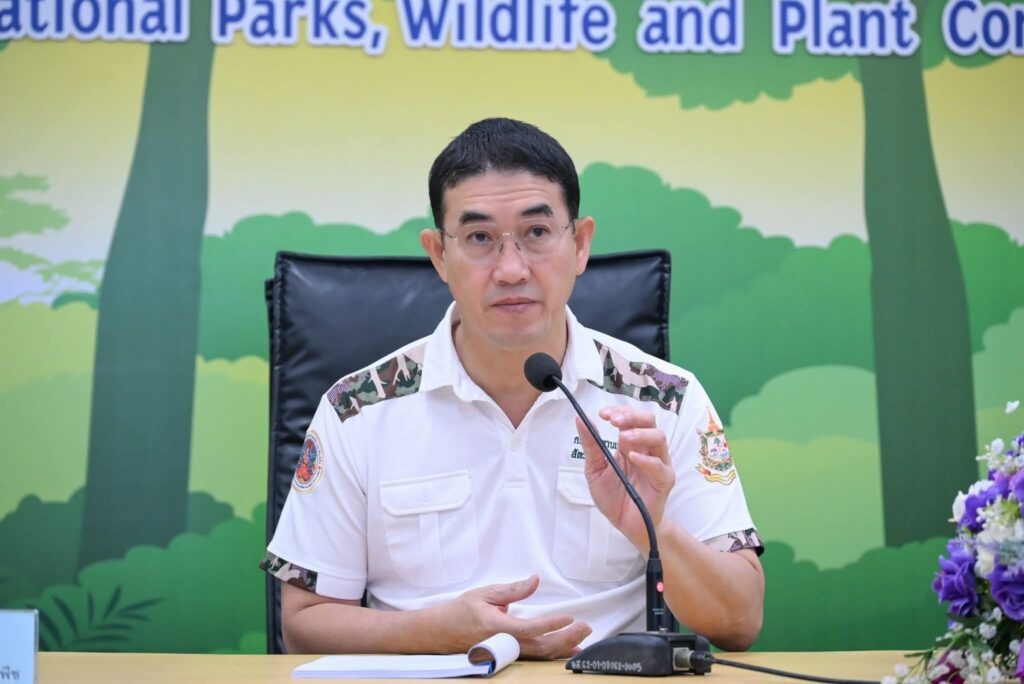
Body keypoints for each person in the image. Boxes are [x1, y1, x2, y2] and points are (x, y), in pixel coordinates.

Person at [260, 118, 765, 658]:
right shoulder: (358, 407)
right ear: (439, 255)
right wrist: (434, 635)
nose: (510, 269)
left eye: (537, 233)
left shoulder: (662, 399)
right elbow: (303, 625)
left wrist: (653, 526)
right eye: (479, 238)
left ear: (580, 244)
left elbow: (740, 622)